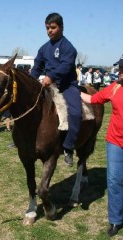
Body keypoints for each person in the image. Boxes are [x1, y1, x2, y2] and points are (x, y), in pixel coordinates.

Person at [30, 12, 82, 167]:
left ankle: (68, 147)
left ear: (61, 27)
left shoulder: (68, 48)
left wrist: (51, 76)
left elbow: (65, 66)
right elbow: (37, 67)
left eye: (53, 27)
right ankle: (25, 139)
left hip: (67, 85)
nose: (49, 31)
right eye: (47, 28)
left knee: (75, 112)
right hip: (47, 85)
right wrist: (32, 80)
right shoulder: (43, 48)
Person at [81, 55, 123, 238]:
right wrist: (73, 90)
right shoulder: (114, 88)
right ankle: (116, 220)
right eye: (120, 68)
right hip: (115, 142)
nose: (120, 72)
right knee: (114, 181)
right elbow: (93, 99)